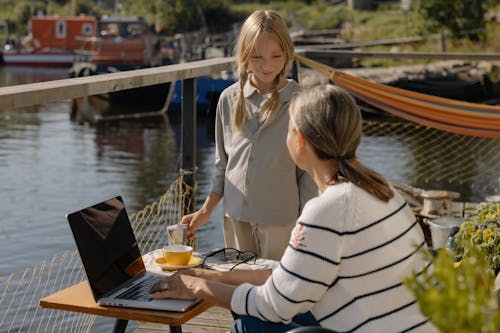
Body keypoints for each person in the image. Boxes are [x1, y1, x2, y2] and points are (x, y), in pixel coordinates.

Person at [151, 84, 437, 333]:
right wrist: (207, 276)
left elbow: (272, 306)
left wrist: (194, 288)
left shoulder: (327, 211)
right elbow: (290, 275)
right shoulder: (382, 191)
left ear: (299, 140)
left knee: (248, 324)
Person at [180, 9, 317, 260]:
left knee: (275, 291)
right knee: (239, 290)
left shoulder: (302, 103)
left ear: (287, 53)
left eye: (276, 56)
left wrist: (307, 223)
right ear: (244, 55)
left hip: (281, 222)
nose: (267, 66)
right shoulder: (228, 99)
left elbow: (308, 174)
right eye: (257, 57)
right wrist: (205, 210)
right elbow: (223, 166)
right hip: (235, 219)